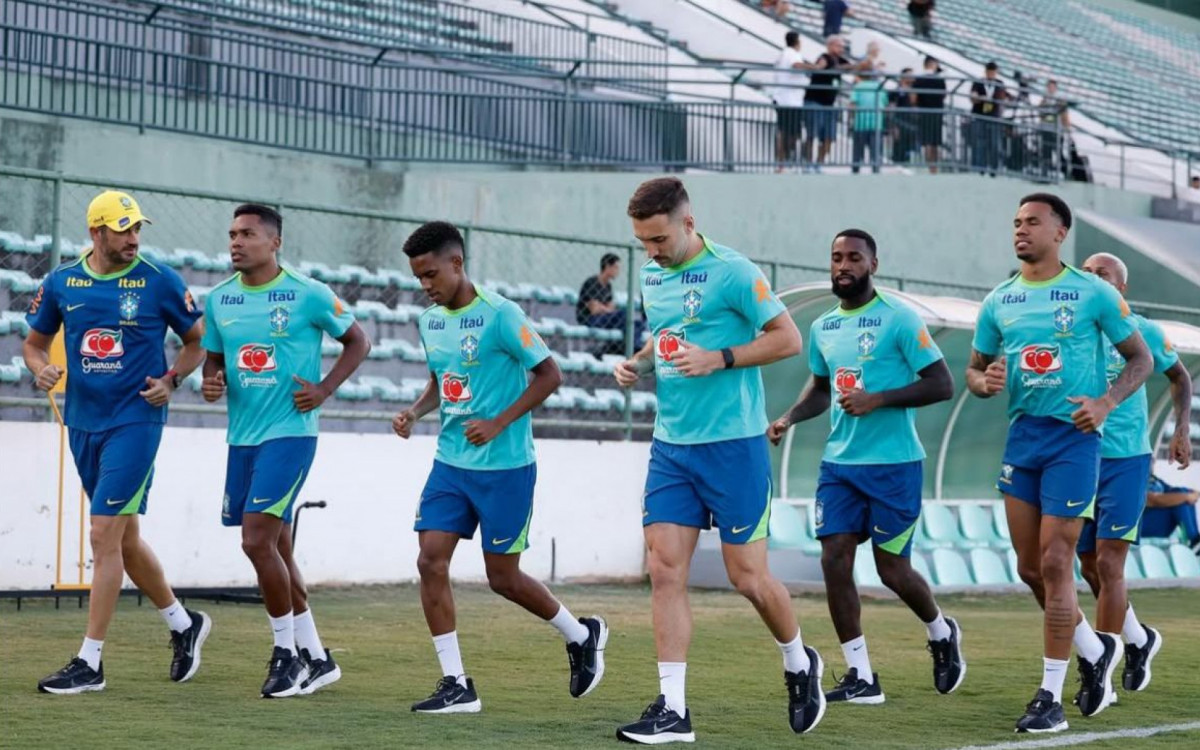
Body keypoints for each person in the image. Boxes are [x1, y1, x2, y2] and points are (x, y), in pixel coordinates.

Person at [612, 177, 824, 743]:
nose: (650, 252)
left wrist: (721, 358)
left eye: (657, 239)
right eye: (642, 242)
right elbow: (665, 337)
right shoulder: (652, 273)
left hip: (735, 446)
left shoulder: (734, 271)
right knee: (664, 571)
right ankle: (673, 709)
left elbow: (787, 340)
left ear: (687, 222)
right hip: (672, 447)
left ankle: (801, 663)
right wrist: (639, 363)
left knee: (748, 578)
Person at [393, 221, 608, 714]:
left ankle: (580, 634)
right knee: (430, 560)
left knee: (503, 578)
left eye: (430, 275)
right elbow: (439, 383)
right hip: (450, 463)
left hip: (507, 467)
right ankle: (455, 684)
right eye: (418, 278)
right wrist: (414, 412)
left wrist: (498, 422)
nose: (425, 286)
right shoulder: (430, 322)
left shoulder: (501, 315)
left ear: (457, 263)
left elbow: (550, 374)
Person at [967, 193, 1152, 733]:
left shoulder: (1093, 292)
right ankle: (1095, 650)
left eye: (1033, 222)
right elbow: (975, 373)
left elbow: (1140, 359)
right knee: (1030, 569)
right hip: (1023, 440)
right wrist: (986, 382)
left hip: (1074, 441)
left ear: (1060, 232)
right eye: (1016, 222)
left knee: (1055, 562)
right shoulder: (999, 300)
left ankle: (1049, 696)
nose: (1021, 230)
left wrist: (1106, 402)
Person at [25, 190, 211, 694]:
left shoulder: (157, 280)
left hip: (137, 421)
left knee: (103, 533)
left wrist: (172, 380)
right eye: (124, 229)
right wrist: (42, 371)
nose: (134, 238)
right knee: (124, 540)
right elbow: (33, 343)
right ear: (96, 232)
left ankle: (90, 662)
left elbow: (198, 339)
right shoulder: (63, 281)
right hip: (84, 422)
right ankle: (183, 624)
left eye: (137, 229)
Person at [768, 229, 964, 706]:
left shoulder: (899, 318)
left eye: (853, 257)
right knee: (834, 559)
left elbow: (941, 384)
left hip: (895, 465)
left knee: (892, 569)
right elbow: (820, 388)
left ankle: (940, 632)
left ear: (873, 263)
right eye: (836, 257)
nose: (843, 265)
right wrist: (790, 417)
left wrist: (879, 399)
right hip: (839, 466)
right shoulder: (823, 327)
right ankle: (860, 675)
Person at [201, 204, 371, 698]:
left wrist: (323, 390)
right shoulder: (220, 300)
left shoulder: (308, 293)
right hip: (243, 438)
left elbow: (358, 341)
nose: (236, 241)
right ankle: (317, 657)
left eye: (248, 233)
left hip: (291, 432)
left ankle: (286, 656)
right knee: (277, 549)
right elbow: (214, 359)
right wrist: (212, 382)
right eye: (232, 233)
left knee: (256, 541)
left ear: (274, 242)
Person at [1076, 252, 1191, 693]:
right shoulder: (1072, 333)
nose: (1091, 278)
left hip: (1126, 460)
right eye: (1084, 272)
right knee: (1088, 567)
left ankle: (1098, 672)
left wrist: (1179, 431)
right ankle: (1139, 640)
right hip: (1079, 459)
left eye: (1101, 273)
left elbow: (1180, 378)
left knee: (1109, 562)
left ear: (1120, 289)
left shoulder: (1142, 330)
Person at [802, 37, 866, 172]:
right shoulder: (824, 57)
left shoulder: (840, 60)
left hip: (829, 105)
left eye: (842, 47)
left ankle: (818, 164)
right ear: (830, 46)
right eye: (838, 46)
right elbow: (825, 66)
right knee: (811, 135)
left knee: (829, 137)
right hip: (815, 102)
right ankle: (807, 163)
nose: (841, 49)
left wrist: (866, 59)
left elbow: (854, 67)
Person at [577, 252, 646, 356]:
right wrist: (606, 309)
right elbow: (594, 310)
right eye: (616, 267)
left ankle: (631, 347)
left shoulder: (608, 286)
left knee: (637, 324)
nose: (618, 271)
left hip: (605, 318)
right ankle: (632, 348)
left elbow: (609, 307)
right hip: (590, 319)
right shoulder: (591, 283)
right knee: (623, 315)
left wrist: (603, 308)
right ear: (608, 266)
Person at [773, 31, 812, 170]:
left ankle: (782, 161)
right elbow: (796, 65)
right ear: (797, 42)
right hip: (789, 100)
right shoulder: (791, 53)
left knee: (785, 131)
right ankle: (783, 160)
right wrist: (815, 67)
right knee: (789, 132)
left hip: (783, 98)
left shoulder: (783, 54)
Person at [1140, 475, 1200, 553]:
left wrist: (1192, 493)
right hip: (1140, 526)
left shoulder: (1154, 480)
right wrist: (1186, 497)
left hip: (1158, 526)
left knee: (1181, 493)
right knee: (1181, 498)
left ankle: (1195, 539)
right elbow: (1153, 500)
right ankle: (1192, 540)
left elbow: (1174, 491)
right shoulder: (1133, 478)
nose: (1152, 463)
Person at [970, 62, 1008, 176]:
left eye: (993, 72)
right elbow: (973, 97)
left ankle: (994, 169)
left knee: (995, 144)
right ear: (986, 71)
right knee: (980, 142)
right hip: (980, 115)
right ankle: (980, 168)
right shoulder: (978, 82)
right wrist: (980, 98)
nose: (991, 74)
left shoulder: (1000, 84)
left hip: (994, 117)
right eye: (989, 71)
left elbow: (1003, 99)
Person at [912, 56, 946, 173]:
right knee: (935, 142)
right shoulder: (940, 80)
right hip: (937, 113)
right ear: (932, 64)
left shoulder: (918, 79)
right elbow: (943, 95)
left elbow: (913, 98)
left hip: (924, 112)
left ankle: (928, 167)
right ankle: (934, 168)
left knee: (927, 141)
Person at [849, 72, 886, 174]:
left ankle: (855, 170)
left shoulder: (858, 86)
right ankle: (876, 170)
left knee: (858, 150)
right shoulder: (879, 86)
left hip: (860, 123)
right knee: (876, 150)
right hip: (877, 123)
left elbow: (852, 104)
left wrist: (850, 120)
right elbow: (885, 104)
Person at [1036, 80, 1070, 178]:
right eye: (1049, 87)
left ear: (1055, 88)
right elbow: (1040, 113)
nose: (1050, 89)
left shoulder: (1060, 101)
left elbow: (1065, 115)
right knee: (1046, 151)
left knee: (1058, 151)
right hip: (1046, 129)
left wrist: (1066, 127)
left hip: (1056, 130)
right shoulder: (1044, 100)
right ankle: (1046, 172)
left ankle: (1065, 171)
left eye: (1052, 87)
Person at [887, 68, 918, 165]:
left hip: (910, 123)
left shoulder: (914, 91)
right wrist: (893, 126)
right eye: (909, 75)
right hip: (899, 121)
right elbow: (891, 108)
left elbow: (914, 105)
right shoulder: (896, 91)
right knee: (898, 145)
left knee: (908, 147)